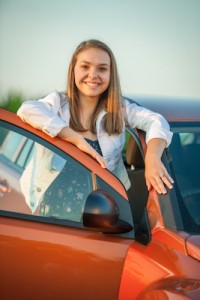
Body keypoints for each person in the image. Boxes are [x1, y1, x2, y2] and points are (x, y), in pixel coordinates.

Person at [17, 39, 174, 217]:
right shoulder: (57, 104)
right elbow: (27, 110)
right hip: (57, 216)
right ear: (73, 70)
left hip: (103, 216)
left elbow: (157, 121)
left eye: (102, 68)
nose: (93, 74)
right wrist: (75, 139)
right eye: (85, 66)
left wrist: (152, 158)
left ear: (110, 74)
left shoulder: (118, 109)